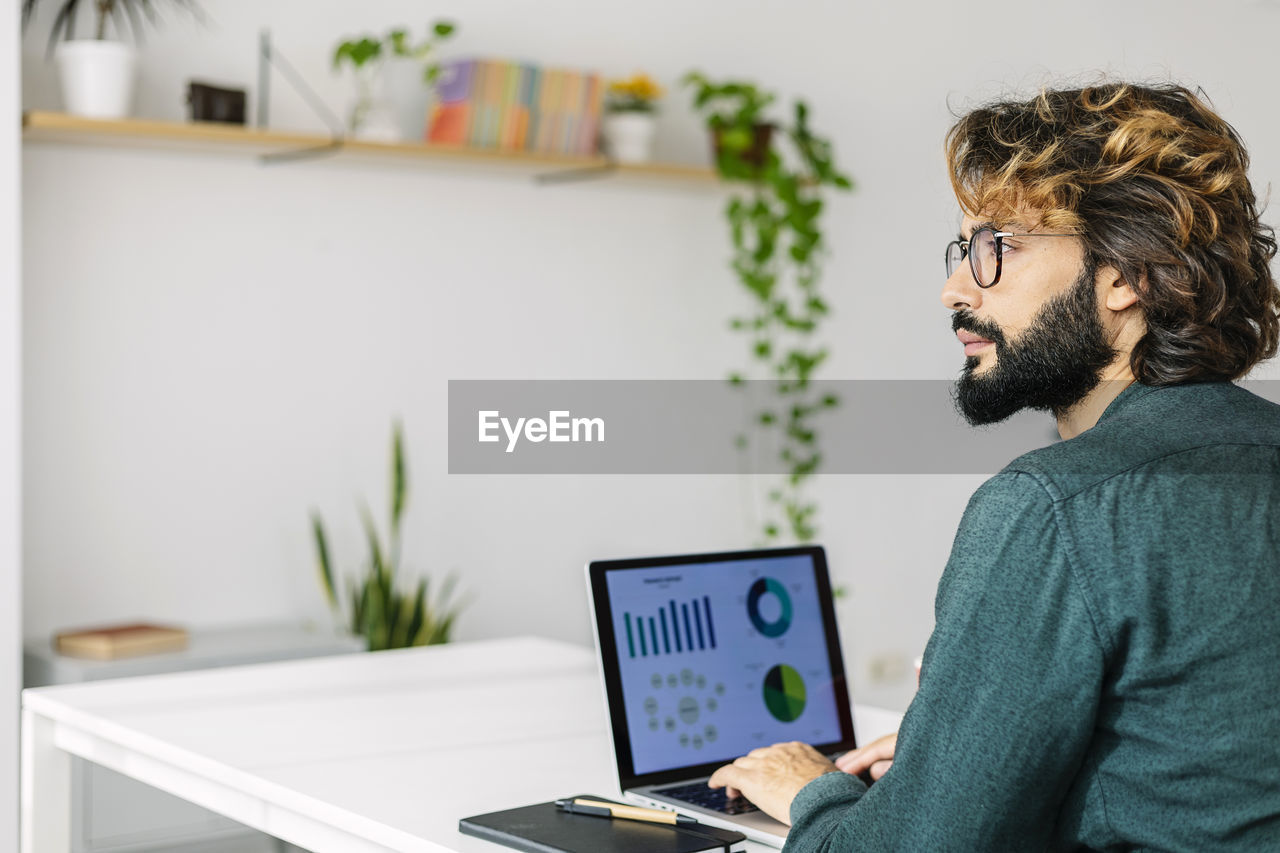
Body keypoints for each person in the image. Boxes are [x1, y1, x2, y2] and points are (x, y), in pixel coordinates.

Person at [708, 82, 1280, 850]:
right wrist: (951, 760)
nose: (954, 289)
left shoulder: (1057, 506)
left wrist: (816, 794)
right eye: (964, 249)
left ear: (1127, 274)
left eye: (997, 247)